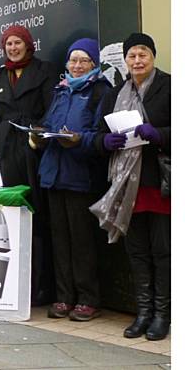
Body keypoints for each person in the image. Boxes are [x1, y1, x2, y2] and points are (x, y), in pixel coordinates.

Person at [90, 33, 170, 340]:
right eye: (132, 56)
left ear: (153, 56)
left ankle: (163, 316)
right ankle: (143, 313)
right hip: (127, 186)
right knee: (136, 253)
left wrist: (159, 133)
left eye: (143, 55)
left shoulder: (170, 86)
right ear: (125, 60)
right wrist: (105, 142)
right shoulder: (114, 93)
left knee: (162, 251)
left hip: (158, 183)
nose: (137, 61)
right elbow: (98, 134)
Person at [31, 38, 111, 321]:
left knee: (82, 241)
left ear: (93, 64)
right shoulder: (60, 91)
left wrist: (78, 141)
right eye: (73, 61)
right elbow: (51, 125)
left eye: (83, 61)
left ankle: (88, 298)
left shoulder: (101, 91)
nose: (77, 66)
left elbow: (102, 135)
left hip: (81, 177)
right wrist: (39, 136)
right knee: (59, 240)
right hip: (54, 174)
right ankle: (64, 297)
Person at [0, 25, 57, 305]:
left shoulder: (44, 70)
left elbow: (51, 108)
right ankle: (11, 280)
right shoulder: (1, 76)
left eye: (17, 43)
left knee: (34, 213)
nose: (13, 48)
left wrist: (39, 136)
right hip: (4, 147)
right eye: (8, 44)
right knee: (9, 213)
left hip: (31, 146)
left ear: (28, 44)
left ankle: (40, 286)